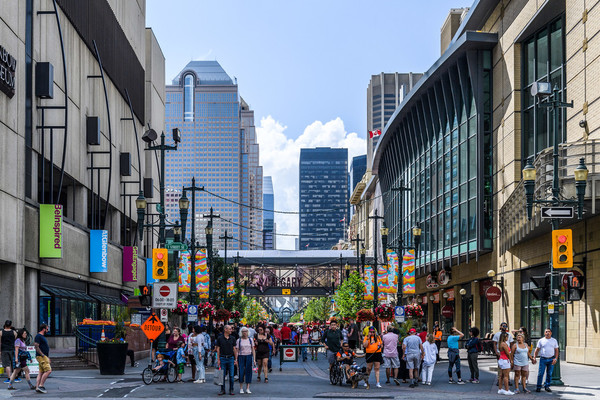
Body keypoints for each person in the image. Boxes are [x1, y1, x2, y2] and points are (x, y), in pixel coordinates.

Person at [534, 328, 559, 393]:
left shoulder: (554, 341)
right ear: (544, 333)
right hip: (543, 359)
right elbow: (537, 349)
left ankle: (547, 386)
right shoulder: (541, 340)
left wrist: (555, 358)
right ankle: (538, 387)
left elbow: (556, 350)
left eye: (549, 332)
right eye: (546, 332)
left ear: (551, 333)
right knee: (540, 373)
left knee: (549, 374)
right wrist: (534, 357)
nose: (547, 333)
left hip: (551, 359)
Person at [216, 325, 238, 396]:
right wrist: (218, 359)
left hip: (230, 358)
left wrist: (236, 359)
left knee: (231, 376)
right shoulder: (220, 338)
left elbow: (234, 349)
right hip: (223, 358)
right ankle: (223, 390)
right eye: (230, 329)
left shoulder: (233, 338)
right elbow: (218, 349)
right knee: (222, 375)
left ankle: (231, 389)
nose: (231, 330)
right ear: (225, 329)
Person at [493, 322, 514, 386]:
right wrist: (496, 352)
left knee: (507, 367)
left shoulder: (509, 335)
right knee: (500, 367)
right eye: (503, 326)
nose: (504, 327)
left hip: (507, 352)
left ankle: (508, 379)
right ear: (500, 327)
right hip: (501, 352)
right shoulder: (497, 334)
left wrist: (511, 353)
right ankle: (499, 380)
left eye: (505, 326)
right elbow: (494, 343)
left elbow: (511, 344)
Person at [236, 327, 255, 394]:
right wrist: (236, 359)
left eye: (246, 331)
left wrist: (254, 359)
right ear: (241, 332)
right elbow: (237, 350)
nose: (245, 333)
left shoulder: (250, 340)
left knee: (248, 372)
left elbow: (253, 349)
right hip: (241, 356)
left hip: (249, 356)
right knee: (241, 371)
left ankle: (247, 388)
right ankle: (241, 388)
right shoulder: (239, 340)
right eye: (243, 331)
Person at [34, 324, 52, 394]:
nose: (47, 330)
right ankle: (41, 386)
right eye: (47, 329)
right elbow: (36, 346)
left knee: (41, 372)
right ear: (44, 329)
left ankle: (37, 386)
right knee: (48, 370)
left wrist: (46, 357)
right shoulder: (38, 336)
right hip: (41, 356)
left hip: (43, 356)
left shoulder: (41, 336)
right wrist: (43, 355)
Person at [1, 320, 17, 384]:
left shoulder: (1, 332)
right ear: (10, 326)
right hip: (12, 349)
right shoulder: (14, 332)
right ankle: (14, 377)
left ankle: (9, 378)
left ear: (5, 325)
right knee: (13, 364)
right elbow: (15, 342)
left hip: (4, 349)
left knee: (7, 365)